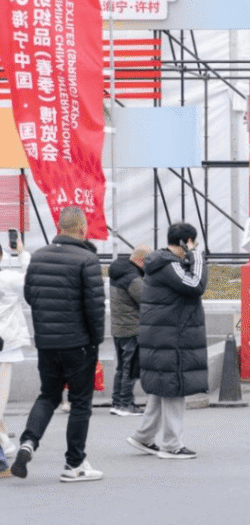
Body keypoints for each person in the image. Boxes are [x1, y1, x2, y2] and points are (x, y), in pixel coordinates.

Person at [11, 206, 104, 482]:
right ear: (81, 230)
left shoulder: (38, 257)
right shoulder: (87, 259)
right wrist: (96, 340)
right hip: (79, 343)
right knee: (80, 403)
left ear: (59, 228)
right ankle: (74, 464)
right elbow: (95, 308)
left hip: (47, 343)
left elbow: (31, 296)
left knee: (48, 396)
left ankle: (28, 442)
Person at [128, 222, 209, 460]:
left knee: (162, 388)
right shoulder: (168, 265)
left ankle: (143, 437)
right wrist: (197, 256)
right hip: (172, 337)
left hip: (166, 336)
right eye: (193, 243)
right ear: (186, 242)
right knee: (174, 388)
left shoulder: (163, 263)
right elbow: (196, 284)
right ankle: (171, 445)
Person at [108, 244, 153, 416]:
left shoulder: (119, 272)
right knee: (131, 369)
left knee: (121, 367)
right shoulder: (133, 278)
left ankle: (117, 402)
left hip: (119, 329)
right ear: (142, 260)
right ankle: (125, 404)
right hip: (132, 329)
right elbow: (146, 299)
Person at [0, 235, 30, 470]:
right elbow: (32, 279)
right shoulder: (8, 278)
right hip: (5, 345)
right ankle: (3, 446)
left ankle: (4, 443)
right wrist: (21, 253)